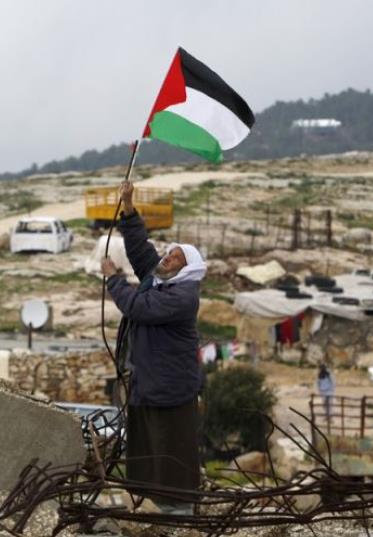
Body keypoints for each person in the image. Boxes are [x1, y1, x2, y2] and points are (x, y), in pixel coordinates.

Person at [100, 181, 206, 514]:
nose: (168, 258)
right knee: (145, 445)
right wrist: (128, 207)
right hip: (147, 383)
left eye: (176, 258)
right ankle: (146, 506)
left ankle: (178, 510)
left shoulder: (182, 296)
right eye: (170, 253)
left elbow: (138, 308)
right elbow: (140, 248)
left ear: (186, 269)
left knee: (172, 446)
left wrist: (115, 280)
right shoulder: (158, 280)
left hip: (170, 386)